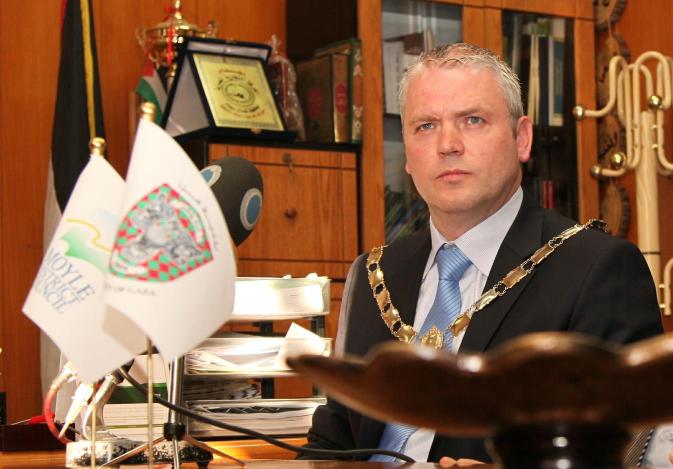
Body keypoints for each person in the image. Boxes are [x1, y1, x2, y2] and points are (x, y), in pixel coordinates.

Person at [299, 43, 663, 463]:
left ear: (522, 138)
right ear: (408, 155)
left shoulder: (595, 267)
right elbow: (332, 443)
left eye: (472, 120)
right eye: (426, 126)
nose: (448, 144)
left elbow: (627, 453)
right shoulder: (375, 273)